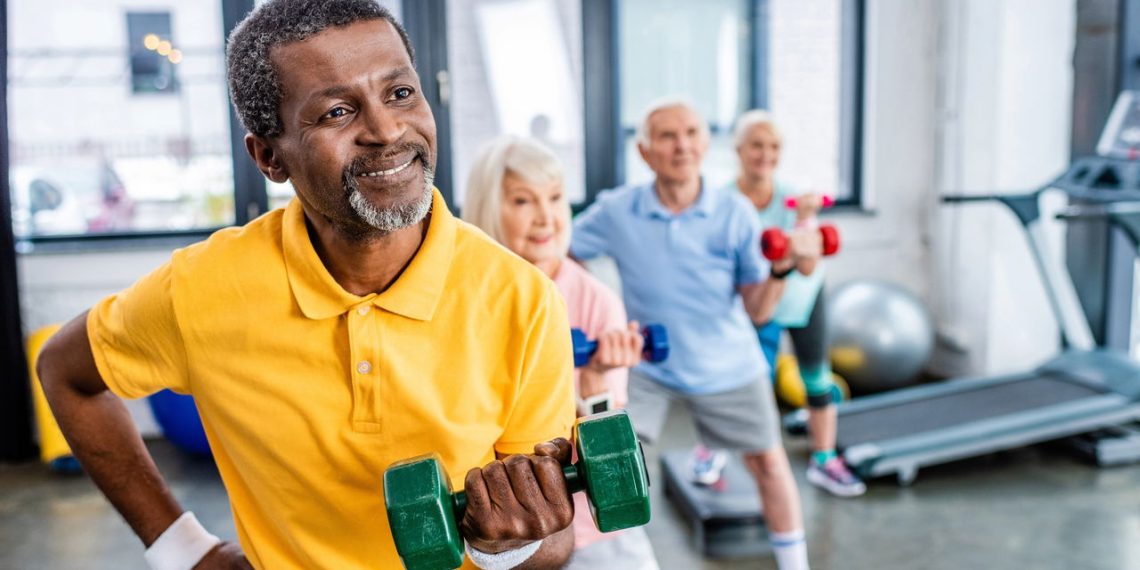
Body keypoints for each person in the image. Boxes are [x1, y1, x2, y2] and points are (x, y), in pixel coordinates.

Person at [37, 2, 580, 568]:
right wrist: (182, 549)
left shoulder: (522, 298)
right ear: (269, 156)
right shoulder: (202, 288)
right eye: (338, 112)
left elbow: (555, 541)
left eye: (400, 94)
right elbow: (65, 371)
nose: (388, 131)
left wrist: (506, 544)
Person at [570, 99, 819, 570]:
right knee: (609, 467)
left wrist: (782, 268)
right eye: (666, 136)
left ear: (705, 145)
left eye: (690, 133)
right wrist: (594, 315)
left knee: (768, 463)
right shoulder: (619, 209)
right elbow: (563, 253)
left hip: (727, 361)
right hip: (646, 367)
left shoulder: (735, 213)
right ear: (645, 152)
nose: (680, 145)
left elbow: (758, 310)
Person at [462, 136, 660, 570]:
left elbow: (608, 451)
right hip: (497, 527)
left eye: (554, 197)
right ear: (488, 207)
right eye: (522, 201)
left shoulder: (595, 300)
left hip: (588, 526)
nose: (546, 216)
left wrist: (593, 384)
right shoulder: (469, 297)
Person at [728, 110, 866, 498]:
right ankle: (713, 451)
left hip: (803, 299)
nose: (765, 154)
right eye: (757, 144)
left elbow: (807, 268)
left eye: (774, 146)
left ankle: (824, 461)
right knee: (742, 386)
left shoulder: (794, 197)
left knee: (817, 381)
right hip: (755, 303)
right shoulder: (724, 201)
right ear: (739, 149)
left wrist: (805, 219)